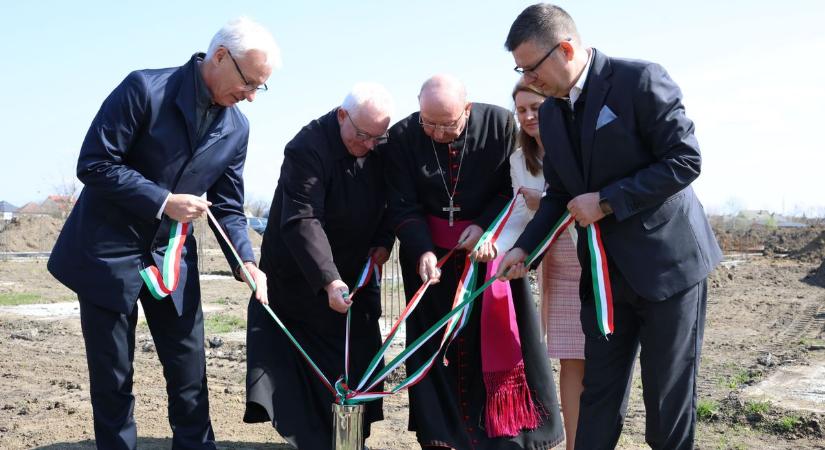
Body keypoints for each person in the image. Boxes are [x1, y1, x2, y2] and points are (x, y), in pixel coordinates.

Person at [47, 17, 278, 450]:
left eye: (259, 88)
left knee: (190, 373)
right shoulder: (144, 90)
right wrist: (163, 200)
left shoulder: (237, 128)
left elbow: (227, 205)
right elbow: (95, 164)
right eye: (249, 83)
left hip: (173, 260)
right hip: (106, 255)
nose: (250, 96)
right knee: (114, 378)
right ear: (220, 57)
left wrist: (246, 260)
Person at [500, 4, 723, 449]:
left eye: (531, 68)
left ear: (564, 49)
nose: (527, 79)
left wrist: (605, 201)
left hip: (668, 270)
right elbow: (561, 194)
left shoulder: (639, 81)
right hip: (604, 279)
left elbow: (685, 160)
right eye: (520, 70)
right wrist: (526, 249)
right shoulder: (550, 115)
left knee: (666, 400)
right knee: (597, 394)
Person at [384, 74, 563, 450]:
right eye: (428, 122)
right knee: (434, 350)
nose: (435, 133)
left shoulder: (499, 124)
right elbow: (402, 203)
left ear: (467, 109)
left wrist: (484, 227)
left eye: (447, 124)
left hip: (489, 252)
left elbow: (507, 188)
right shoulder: (403, 136)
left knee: (501, 341)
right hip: (429, 261)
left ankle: (509, 434)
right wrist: (422, 249)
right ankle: (441, 435)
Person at [243, 83, 396, 449]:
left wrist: (383, 239)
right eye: (363, 136)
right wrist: (327, 279)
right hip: (302, 275)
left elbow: (395, 196)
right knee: (302, 372)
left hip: (354, 275)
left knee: (356, 360)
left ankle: (350, 437)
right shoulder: (307, 147)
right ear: (342, 116)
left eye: (378, 137)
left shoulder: (379, 140)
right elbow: (303, 219)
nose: (371, 145)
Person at [494, 82, 584, 450]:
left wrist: (545, 201)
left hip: (592, 256)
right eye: (522, 111)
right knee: (570, 357)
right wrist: (498, 249)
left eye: (536, 107)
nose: (529, 116)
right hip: (557, 262)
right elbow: (518, 215)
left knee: (602, 359)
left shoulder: (580, 144)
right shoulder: (520, 159)